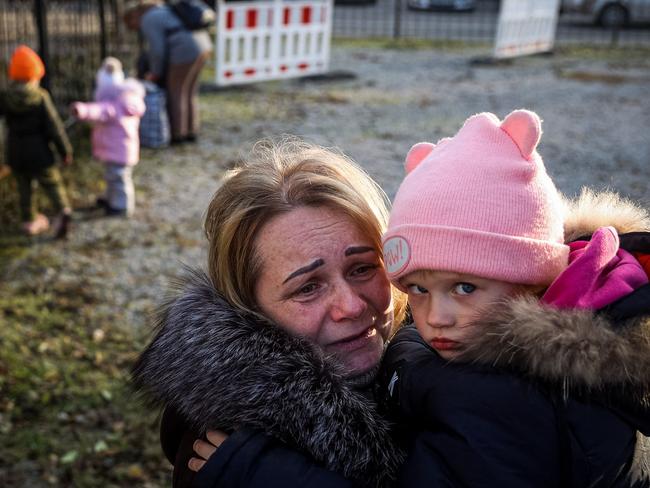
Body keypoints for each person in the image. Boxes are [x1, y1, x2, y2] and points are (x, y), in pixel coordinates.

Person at [378, 109, 650, 486]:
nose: (435, 317)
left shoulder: (504, 403)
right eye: (418, 289)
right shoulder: (601, 319)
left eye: (465, 287)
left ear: (532, 279)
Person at [132, 139, 408, 487]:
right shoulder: (222, 456)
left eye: (362, 268)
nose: (351, 306)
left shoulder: (453, 341)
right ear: (250, 308)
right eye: (308, 287)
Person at [0, 45, 73, 238]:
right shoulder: (40, 97)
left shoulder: (6, 97)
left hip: (15, 150)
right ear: (36, 75)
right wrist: (65, 150)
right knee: (52, 182)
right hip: (39, 151)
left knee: (25, 188)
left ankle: (29, 221)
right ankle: (63, 210)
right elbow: (54, 127)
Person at [123, 0, 212, 145]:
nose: (133, 28)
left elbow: (157, 50)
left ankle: (178, 135)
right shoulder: (162, 9)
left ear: (133, 16)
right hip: (203, 45)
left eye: (130, 25)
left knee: (176, 92)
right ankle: (191, 132)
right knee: (189, 91)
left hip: (186, 49)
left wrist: (155, 72)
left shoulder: (148, 19)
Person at [70, 57, 146, 217]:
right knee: (115, 177)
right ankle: (112, 199)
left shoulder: (113, 105)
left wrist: (81, 110)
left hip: (116, 150)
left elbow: (98, 110)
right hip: (121, 149)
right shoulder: (127, 100)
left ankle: (122, 206)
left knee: (119, 179)